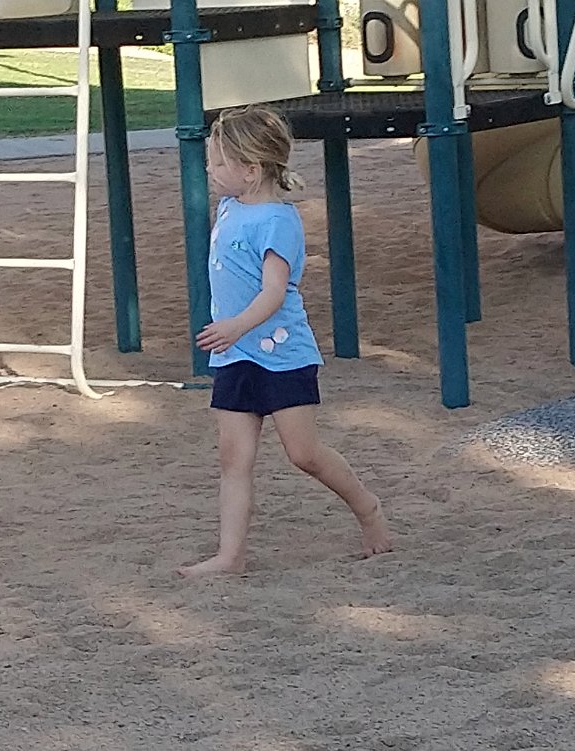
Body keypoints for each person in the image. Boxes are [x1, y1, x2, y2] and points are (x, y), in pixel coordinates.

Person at [178, 105, 392, 577]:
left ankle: (367, 507)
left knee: (304, 454)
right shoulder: (230, 207)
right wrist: (233, 334)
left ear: (251, 170)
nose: (209, 171)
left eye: (218, 163)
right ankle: (230, 556)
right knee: (233, 459)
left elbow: (275, 292)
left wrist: (236, 325)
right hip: (235, 355)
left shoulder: (278, 221)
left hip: (282, 355)